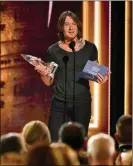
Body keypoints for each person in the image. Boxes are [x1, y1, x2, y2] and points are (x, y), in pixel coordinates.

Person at [35, 11, 109, 141]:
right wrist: (42, 74)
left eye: (74, 24)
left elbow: (96, 72)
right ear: (61, 28)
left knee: (79, 142)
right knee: (55, 141)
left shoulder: (90, 48)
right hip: (59, 102)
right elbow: (48, 81)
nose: (71, 28)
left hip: (82, 102)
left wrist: (102, 77)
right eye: (67, 24)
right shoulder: (53, 51)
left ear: (78, 26)